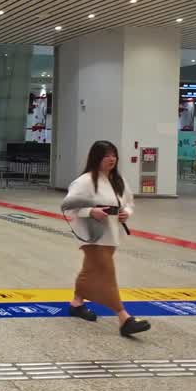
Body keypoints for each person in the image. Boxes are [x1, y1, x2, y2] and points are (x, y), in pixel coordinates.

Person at [62, 140, 149, 337]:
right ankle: (124, 317)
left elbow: (128, 202)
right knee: (106, 275)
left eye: (114, 155)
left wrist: (126, 212)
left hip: (112, 235)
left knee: (90, 270)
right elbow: (69, 206)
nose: (112, 159)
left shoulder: (118, 181)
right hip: (92, 236)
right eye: (107, 155)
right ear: (97, 158)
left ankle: (76, 303)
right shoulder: (84, 181)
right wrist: (91, 211)